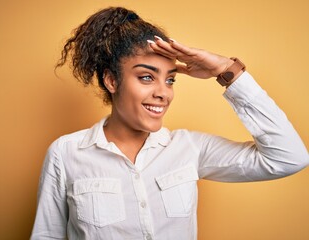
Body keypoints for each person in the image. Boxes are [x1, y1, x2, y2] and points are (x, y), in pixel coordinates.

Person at [30, 6, 308, 240]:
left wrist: (227, 70)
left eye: (170, 79)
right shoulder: (66, 153)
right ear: (111, 80)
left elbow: (289, 158)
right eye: (147, 77)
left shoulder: (190, 148)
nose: (164, 92)